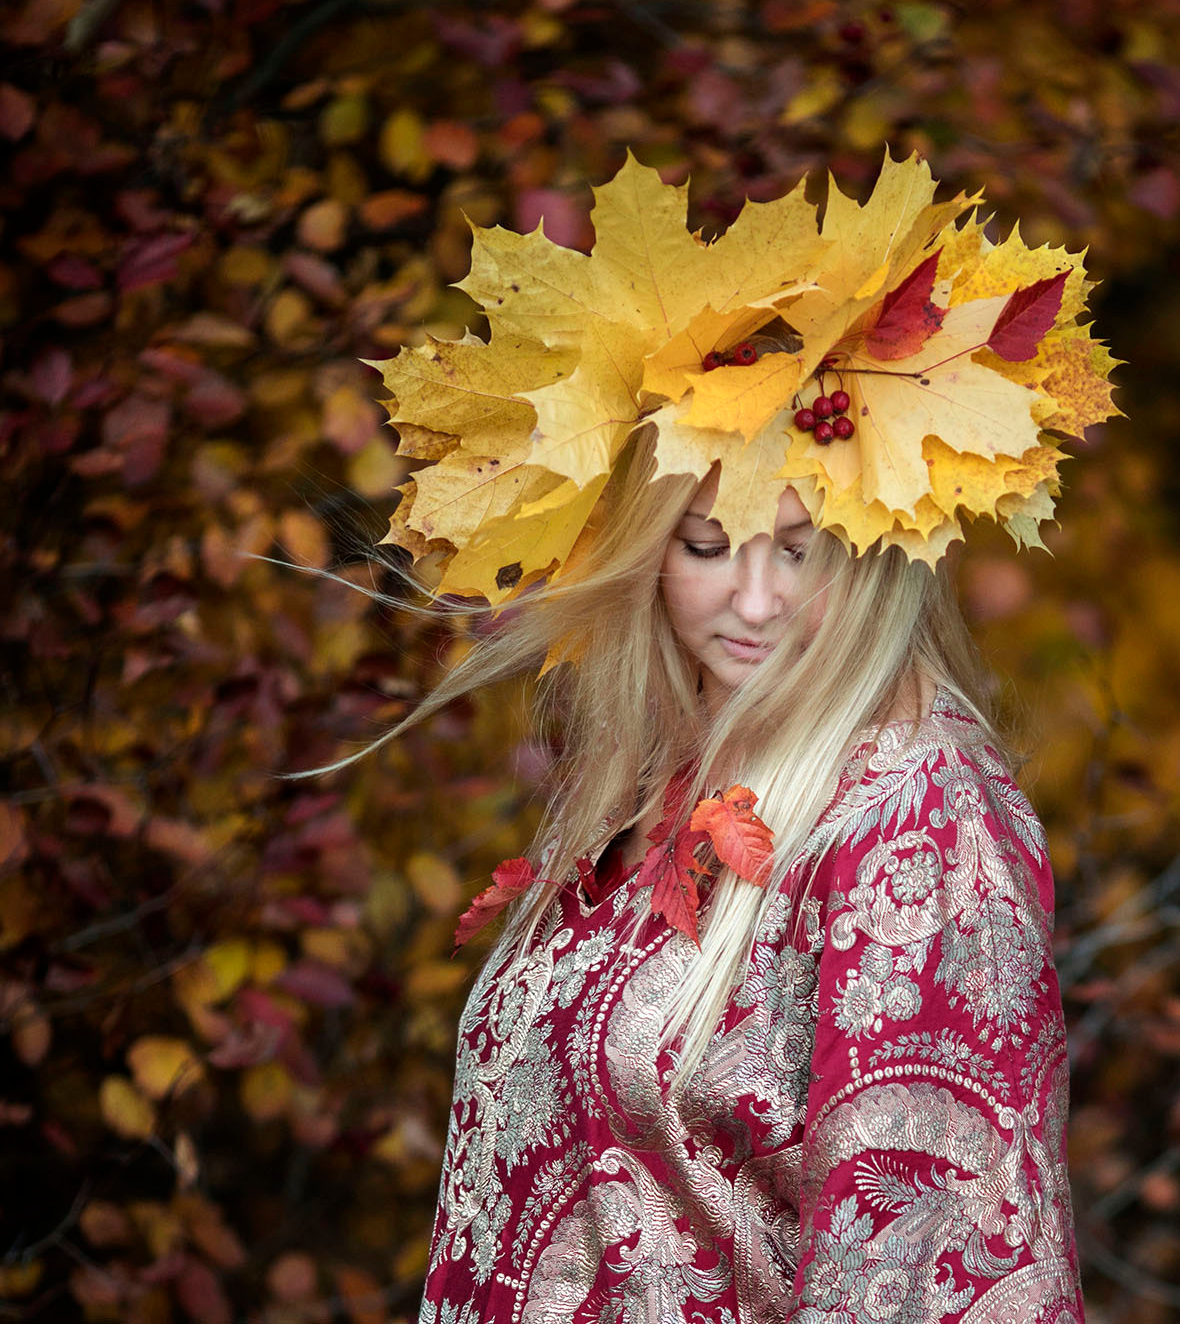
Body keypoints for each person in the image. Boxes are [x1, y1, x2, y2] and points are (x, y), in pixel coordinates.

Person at [365, 153, 1115, 1323]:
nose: (752, 601)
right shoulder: (664, 784)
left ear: (872, 553)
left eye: (798, 549)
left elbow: (914, 1261)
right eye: (708, 547)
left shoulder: (919, 812)